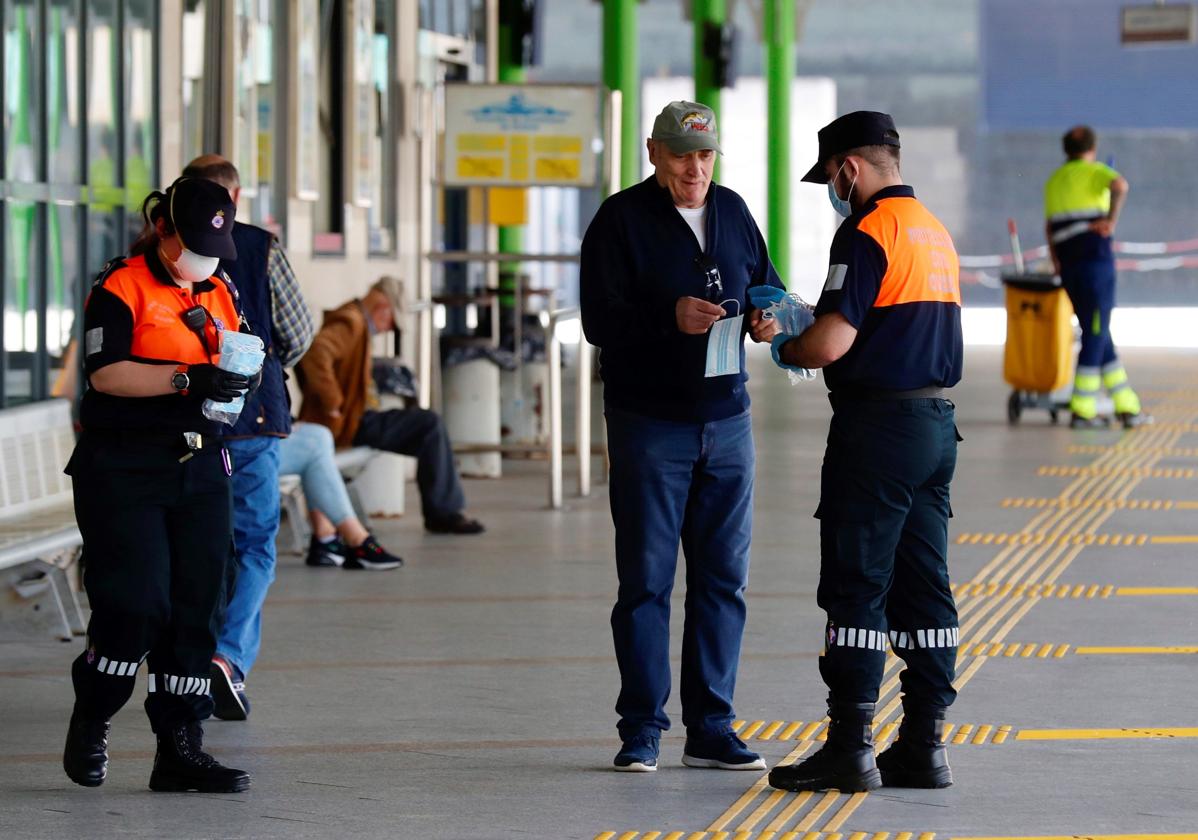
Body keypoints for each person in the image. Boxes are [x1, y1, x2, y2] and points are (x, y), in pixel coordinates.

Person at [580, 100, 784, 773]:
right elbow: (599, 321)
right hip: (649, 424)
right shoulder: (620, 220)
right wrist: (668, 315)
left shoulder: (732, 208)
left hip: (727, 421)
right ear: (654, 153)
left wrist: (766, 320)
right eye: (680, 155)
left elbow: (768, 286)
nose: (694, 168)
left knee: (724, 580)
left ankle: (712, 727)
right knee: (645, 581)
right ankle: (641, 728)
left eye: (704, 155)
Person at [765, 112, 963, 793]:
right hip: (936, 426)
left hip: (877, 431)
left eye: (830, 177)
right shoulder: (933, 232)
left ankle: (849, 749)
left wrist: (787, 346)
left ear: (849, 168)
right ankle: (923, 747)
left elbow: (831, 342)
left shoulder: (868, 230)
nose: (832, 189)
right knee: (923, 587)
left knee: (856, 587)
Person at [62, 176, 255, 793]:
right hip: (125, 469)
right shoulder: (121, 285)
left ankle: (180, 748)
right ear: (164, 228)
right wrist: (186, 380)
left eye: (214, 247)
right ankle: (93, 714)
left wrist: (235, 379)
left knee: (199, 604)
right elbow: (107, 374)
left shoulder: (218, 286)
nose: (203, 258)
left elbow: (236, 348)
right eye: (194, 242)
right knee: (137, 603)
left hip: (200, 464)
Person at [179, 155, 316, 722]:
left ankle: (200, 665)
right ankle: (227, 659)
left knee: (209, 548)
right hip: (253, 421)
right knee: (256, 545)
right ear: (233, 197)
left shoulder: (158, 248)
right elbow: (299, 331)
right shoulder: (262, 247)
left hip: (188, 421)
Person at [296, 278, 484, 535]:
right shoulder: (351, 321)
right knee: (428, 424)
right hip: (349, 422)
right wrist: (333, 404)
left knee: (426, 428)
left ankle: (444, 509)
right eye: (391, 322)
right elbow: (316, 353)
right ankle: (444, 512)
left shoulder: (352, 318)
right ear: (383, 307)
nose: (387, 329)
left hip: (352, 418)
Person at [1044, 126, 1146, 429]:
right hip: (1095, 266)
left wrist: (1056, 262)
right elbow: (1120, 185)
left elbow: (1049, 228)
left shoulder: (1054, 181)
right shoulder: (1095, 171)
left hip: (1070, 268)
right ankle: (1083, 408)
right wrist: (1111, 220)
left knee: (1097, 330)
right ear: (1093, 147)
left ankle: (1126, 405)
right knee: (1096, 332)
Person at [280, 420, 404, 570]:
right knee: (316, 441)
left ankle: (327, 540)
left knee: (316, 437)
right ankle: (354, 540)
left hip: (254, 432)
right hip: (248, 439)